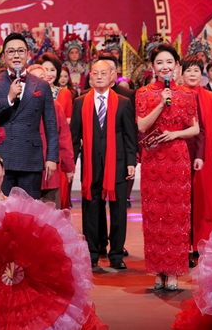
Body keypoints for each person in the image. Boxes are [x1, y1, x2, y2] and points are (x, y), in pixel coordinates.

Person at [135, 44, 200, 291]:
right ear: (152, 67)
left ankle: (173, 271)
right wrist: (161, 104)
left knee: (177, 215)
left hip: (178, 158)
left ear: (177, 66)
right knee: (155, 215)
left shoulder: (187, 94)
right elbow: (142, 126)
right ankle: (158, 269)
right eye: (160, 62)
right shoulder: (143, 93)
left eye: (169, 62)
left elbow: (195, 128)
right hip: (153, 159)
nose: (165, 67)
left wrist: (175, 134)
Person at [70, 60, 137, 270]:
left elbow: (129, 136)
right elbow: (74, 137)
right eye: (95, 73)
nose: (99, 77)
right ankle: (91, 253)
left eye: (103, 73)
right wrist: (70, 164)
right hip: (91, 166)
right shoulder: (80, 102)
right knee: (91, 210)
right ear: (90, 77)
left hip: (117, 165)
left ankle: (116, 254)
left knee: (118, 211)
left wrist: (131, 162)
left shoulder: (123, 102)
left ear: (112, 76)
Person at [0, 32, 59, 198]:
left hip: (30, 158)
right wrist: (8, 99)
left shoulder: (42, 85)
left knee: (29, 209)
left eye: (20, 51)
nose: (16, 55)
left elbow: (51, 124)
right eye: (11, 51)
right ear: (4, 56)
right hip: (1, 158)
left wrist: (52, 158)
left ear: (28, 54)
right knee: (2, 209)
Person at [180, 56, 212, 251]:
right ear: (181, 73)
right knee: (183, 198)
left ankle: (200, 242)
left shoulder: (210, 97)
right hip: (181, 150)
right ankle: (183, 242)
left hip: (206, 152)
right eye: (188, 70)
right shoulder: (176, 94)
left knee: (203, 198)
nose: (192, 74)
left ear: (202, 74)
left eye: (196, 70)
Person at [28, 64, 76, 209]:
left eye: (41, 78)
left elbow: (64, 139)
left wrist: (69, 167)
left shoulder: (55, 107)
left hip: (49, 172)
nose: (38, 82)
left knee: (51, 215)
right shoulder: (18, 106)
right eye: (33, 79)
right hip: (26, 172)